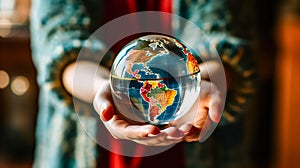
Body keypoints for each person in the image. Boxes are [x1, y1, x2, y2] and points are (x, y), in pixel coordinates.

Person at [30, 0, 256, 167]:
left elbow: (227, 47)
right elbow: (60, 50)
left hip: (198, 154)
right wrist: (101, 89)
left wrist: (203, 83)